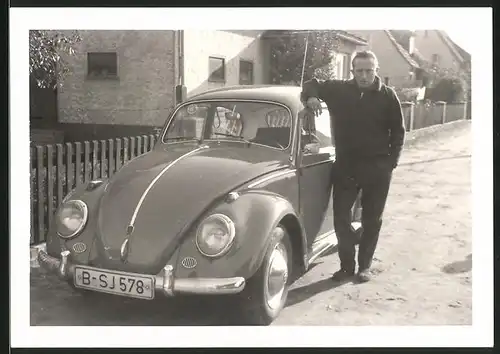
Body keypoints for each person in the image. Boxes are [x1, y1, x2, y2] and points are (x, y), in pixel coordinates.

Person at [300, 50, 406, 283]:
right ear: (352, 71)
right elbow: (311, 83)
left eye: (369, 71)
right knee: (340, 218)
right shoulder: (340, 90)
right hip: (346, 166)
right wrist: (311, 98)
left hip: (377, 168)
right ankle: (346, 266)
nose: (365, 76)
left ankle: (364, 267)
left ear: (376, 70)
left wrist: (390, 163)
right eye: (360, 71)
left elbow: (398, 132)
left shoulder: (388, 96)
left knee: (372, 219)